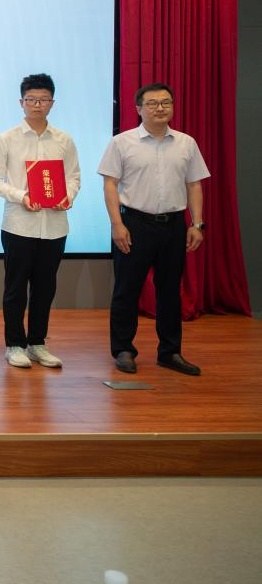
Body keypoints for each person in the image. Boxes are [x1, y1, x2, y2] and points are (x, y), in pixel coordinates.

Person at [98, 83, 209, 376]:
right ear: (139, 109)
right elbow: (110, 184)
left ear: (172, 106)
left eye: (165, 103)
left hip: (174, 226)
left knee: (170, 290)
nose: (160, 108)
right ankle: (123, 349)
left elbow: (194, 184)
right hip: (134, 224)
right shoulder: (122, 142)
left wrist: (197, 224)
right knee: (127, 289)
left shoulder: (186, 143)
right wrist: (117, 224)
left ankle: (170, 352)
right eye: (152, 103)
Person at [0, 73, 80, 369]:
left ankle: (37, 342)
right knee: (15, 287)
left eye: (43, 100)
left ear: (52, 103)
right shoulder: (7, 139)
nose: (37, 105)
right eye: (31, 100)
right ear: (21, 102)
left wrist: (67, 196)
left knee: (45, 287)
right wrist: (21, 196)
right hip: (19, 225)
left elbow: (73, 177)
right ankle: (14, 344)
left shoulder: (64, 140)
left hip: (54, 225)